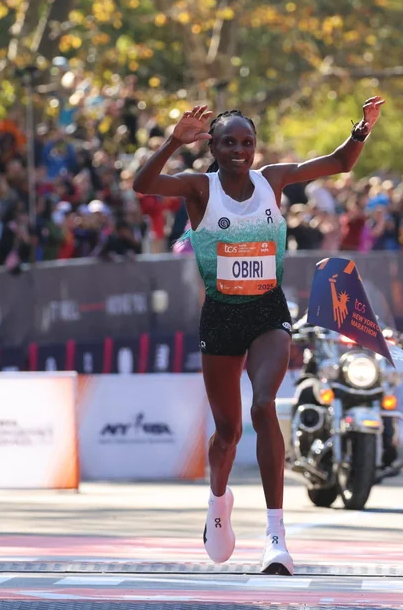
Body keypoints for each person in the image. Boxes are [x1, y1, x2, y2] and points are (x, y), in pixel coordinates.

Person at [132, 97, 385, 575]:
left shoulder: (273, 180)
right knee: (227, 432)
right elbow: (143, 185)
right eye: (228, 143)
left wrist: (361, 131)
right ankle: (218, 502)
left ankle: (276, 537)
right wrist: (172, 142)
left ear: (255, 146)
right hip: (221, 316)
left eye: (246, 142)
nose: (239, 151)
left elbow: (338, 163)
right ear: (213, 147)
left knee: (264, 405)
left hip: (268, 311)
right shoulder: (200, 188)